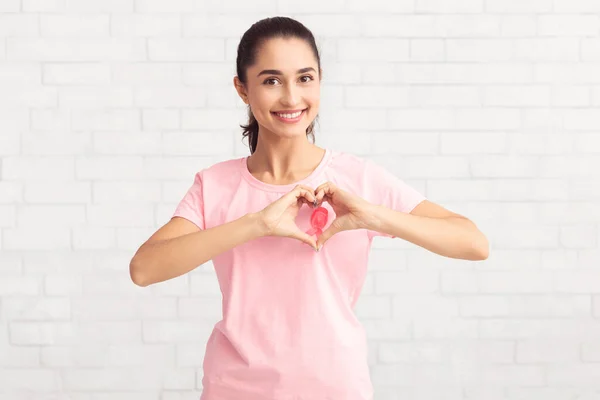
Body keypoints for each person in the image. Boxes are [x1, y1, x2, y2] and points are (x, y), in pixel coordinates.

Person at [129, 16, 489, 400]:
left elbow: (473, 242)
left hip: (336, 389)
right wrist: (257, 223)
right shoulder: (214, 185)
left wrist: (375, 216)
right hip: (235, 390)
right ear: (242, 89)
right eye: (271, 80)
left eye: (305, 78)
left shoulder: (356, 178)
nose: (291, 98)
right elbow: (144, 268)